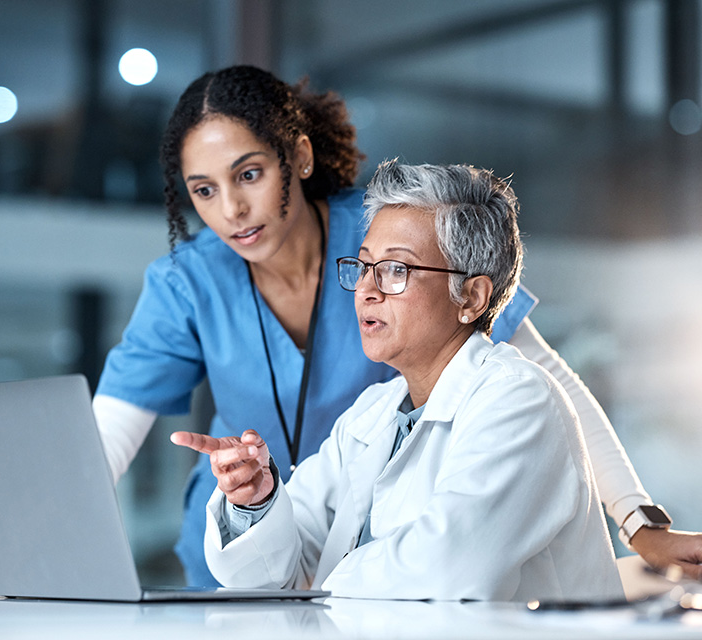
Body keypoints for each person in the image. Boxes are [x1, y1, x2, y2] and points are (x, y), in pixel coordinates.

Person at [93, 65, 702, 586]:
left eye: (249, 174)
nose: (230, 209)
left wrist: (639, 521)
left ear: (299, 157)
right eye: (203, 190)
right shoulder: (192, 283)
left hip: (376, 565)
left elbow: (549, 384)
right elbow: (102, 445)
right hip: (278, 537)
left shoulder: (391, 231)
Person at [171, 161, 624, 601]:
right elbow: (277, 568)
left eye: (396, 270)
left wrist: (320, 584)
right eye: (364, 266)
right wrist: (257, 502)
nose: (367, 289)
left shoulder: (519, 400)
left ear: (471, 296)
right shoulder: (375, 411)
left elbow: (448, 568)